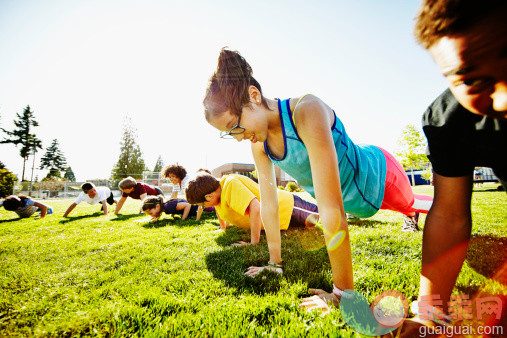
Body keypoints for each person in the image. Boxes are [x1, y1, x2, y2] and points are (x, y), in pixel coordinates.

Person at [202, 48, 434, 305]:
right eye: (228, 133)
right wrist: (274, 264)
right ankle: (410, 210)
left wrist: (342, 294)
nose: (237, 137)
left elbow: (331, 209)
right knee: (390, 208)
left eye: (235, 126)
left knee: (411, 204)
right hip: (355, 201)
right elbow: (268, 204)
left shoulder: (305, 111)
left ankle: (414, 211)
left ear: (253, 96)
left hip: (380, 177)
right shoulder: (259, 144)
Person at [389, 0, 507, 335]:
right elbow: (449, 215)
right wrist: (430, 313)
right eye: (473, 81)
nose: (502, 99)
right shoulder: (450, 121)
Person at [185, 173, 320, 248]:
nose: (203, 207)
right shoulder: (218, 196)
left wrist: (253, 243)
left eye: (202, 205)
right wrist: (223, 228)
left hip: (288, 207)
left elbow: (255, 207)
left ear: (209, 196)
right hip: (281, 220)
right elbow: (220, 210)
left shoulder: (230, 184)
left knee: (326, 218)